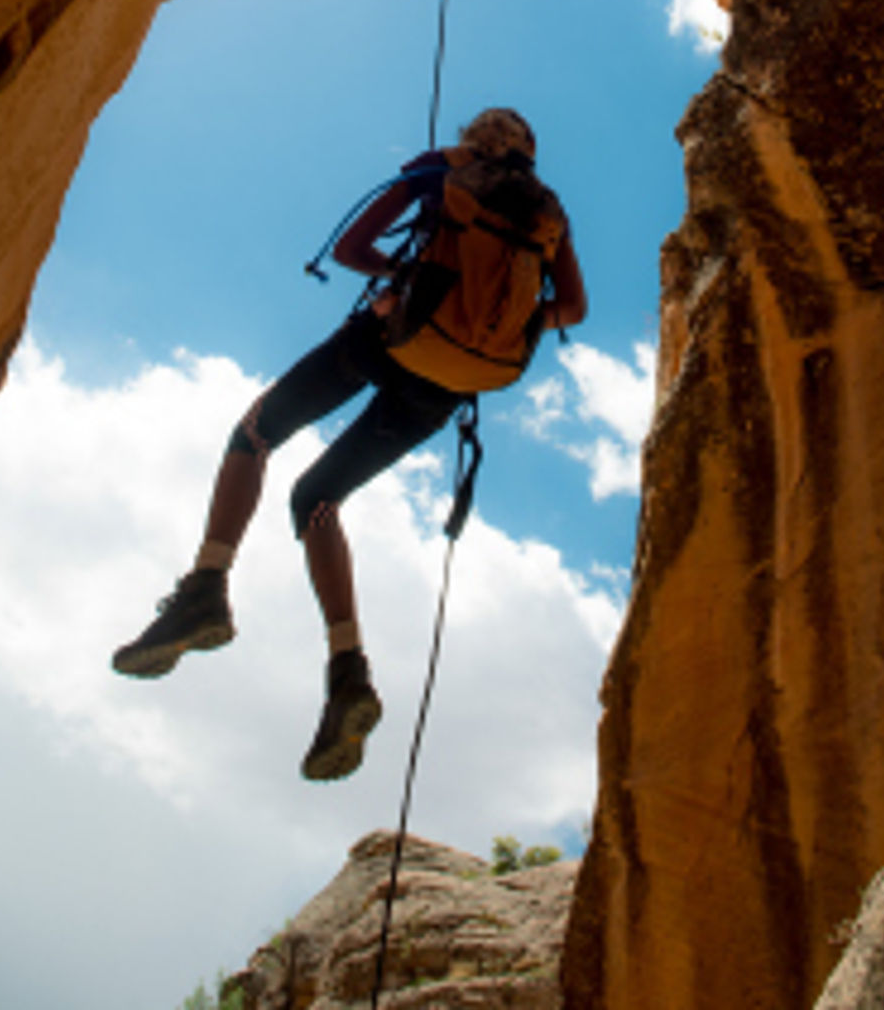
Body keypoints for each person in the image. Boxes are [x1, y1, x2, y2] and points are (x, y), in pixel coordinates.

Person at [111, 108, 587, 781]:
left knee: (255, 433)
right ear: (529, 152)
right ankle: (347, 675)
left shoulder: (443, 170)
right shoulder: (548, 214)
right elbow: (572, 308)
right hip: (450, 386)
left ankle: (206, 586)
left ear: (474, 138)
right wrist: (508, 325)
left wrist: (410, 280)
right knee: (318, 497)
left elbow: (351, 249)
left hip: (391, 337)